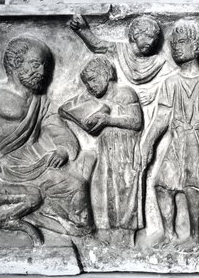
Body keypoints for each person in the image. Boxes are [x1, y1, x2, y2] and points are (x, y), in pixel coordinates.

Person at [0, 36, 95, 246]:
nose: (41, 72)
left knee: (77, 186)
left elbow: (63, 134)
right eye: (35, 64)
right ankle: (28, 219)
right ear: (15, 63)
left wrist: (62, 150)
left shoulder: (40, 102)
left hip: (34, 168)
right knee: (35, 196)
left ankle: (78, 233)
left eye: (44, 66)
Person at [141, 19, 199, 252]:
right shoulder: (170, 82)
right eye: (173, 44)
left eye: (181, 42)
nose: (176, 48)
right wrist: (147, 144)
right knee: (162, 185)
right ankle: (170, 234)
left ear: (198, 46)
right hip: (178, 141)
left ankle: (196, 239)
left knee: (193, 189)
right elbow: (161, 117)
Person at [59, 56, 143, 246]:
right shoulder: (99, 101)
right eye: (87, 84)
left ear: (106, 75)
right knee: (105, 192)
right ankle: (109, 235)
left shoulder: (125, 93)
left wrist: (108, 120)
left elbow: (136, 122)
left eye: (93, 80)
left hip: (125, 153)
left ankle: (126, 239)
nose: (90, 87)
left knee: (125, 193)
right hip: (108, 152)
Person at [69, 14, 176, 123]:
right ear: (135, 34)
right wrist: (82, 29)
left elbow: (174, 78)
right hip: (117, 106)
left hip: (146, 111)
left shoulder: (158, 62)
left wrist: (153, 94)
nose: (152, 42)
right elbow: (97, 45)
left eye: (154, 39)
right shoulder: (119, 50)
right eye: (148, 36)